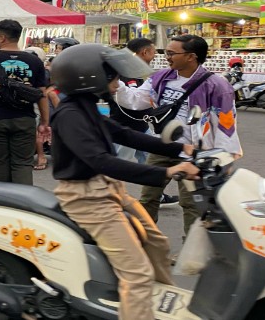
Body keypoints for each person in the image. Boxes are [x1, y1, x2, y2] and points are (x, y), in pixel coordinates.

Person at [49, 43, 199, 320]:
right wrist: (166, 173)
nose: (117, 81)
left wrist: (182, 149)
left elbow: (125, 135)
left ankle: (157, 310)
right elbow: (102, 161)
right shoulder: (70, 115)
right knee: (137, 273)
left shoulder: (85, 108)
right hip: (86, 199)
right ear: (92, 78)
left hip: (105, 189)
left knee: (156, 243)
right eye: (113, 76)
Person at [116, 34, 242, 237]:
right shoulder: (160, 77)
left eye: (171, 53)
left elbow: (226, 123)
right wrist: (117, 84)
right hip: (161, 147)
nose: (167, 57)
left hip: (194, 153)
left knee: (191, 204)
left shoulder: (216, 85)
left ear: (191, 56)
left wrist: (223, 155)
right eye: (166, 52)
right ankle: (144, 240)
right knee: (148, 198)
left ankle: (190, 251)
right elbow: (135, 100)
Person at [0, 19, 50, 185]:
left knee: (0, 163)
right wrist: (44, 122)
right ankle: (22, 199)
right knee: (23, 164)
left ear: (2, 38)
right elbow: (42, 95)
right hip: (24, 119)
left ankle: (3, 199)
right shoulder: (34, 61)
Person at [110, 39, 179, 206]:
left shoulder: (136, 71)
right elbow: (132, 99)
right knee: (118, 166)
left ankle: (156, 196)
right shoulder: (126, 72)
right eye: (154, 52)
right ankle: (111, 196)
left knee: (150, 161)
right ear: (144, 52)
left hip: (140, 127)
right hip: (125, 127)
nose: (157, 56)